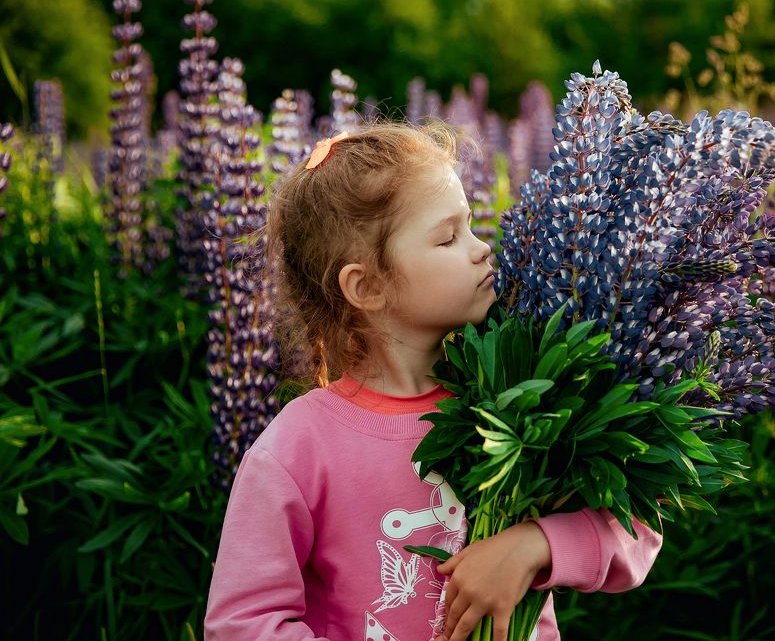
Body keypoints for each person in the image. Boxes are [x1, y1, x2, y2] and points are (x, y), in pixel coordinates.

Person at [204, 121, 661, 641]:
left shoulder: (520, 391)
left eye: (470, 226)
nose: (481, 248)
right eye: (447, 237)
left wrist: (535, 545)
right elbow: (240, 623)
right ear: (367, 286)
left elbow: (636, 532)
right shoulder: (297, 449)